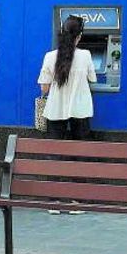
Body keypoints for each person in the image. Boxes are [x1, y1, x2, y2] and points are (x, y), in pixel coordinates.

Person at [37, 14, 96, 215]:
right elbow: (92, 79)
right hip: (80, 110)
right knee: (80, 154)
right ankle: (76, 201)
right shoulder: (86, 55)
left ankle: (54, 201)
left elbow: (44, 88)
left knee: (55, 154)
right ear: (79, 36)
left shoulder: (49, 56)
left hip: (56, 110)